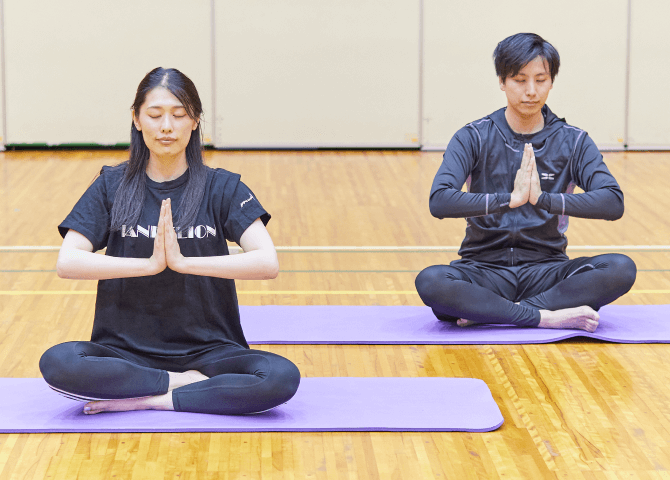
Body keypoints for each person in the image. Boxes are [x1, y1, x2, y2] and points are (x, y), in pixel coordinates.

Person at [39, 67, 300, 415]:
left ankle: (152, 398)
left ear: (195, 121)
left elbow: (267, 262)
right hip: (124, 352)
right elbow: (68, 261)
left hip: (210, 351)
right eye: (155, 115)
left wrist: (183, 263)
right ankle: (182, 384)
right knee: (59, 362)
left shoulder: (222, 187)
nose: (166, 126)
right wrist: (149, 265)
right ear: (136, 119)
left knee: (280, 377)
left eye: (179, 115)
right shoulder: (111, 185)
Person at [415, 33, 636, 332]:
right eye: (520, 80)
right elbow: (439, 200)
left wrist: (544, 200)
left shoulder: (574, 141)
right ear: (502, 81)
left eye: (540, 80)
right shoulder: (473, 136)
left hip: (548, 271)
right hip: (483, 270)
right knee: (431, 281)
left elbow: (612, 202)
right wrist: (509, 199)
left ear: (551, 81)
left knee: (620, 268)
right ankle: (545, 316)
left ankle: (496, 312)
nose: (531, 91)